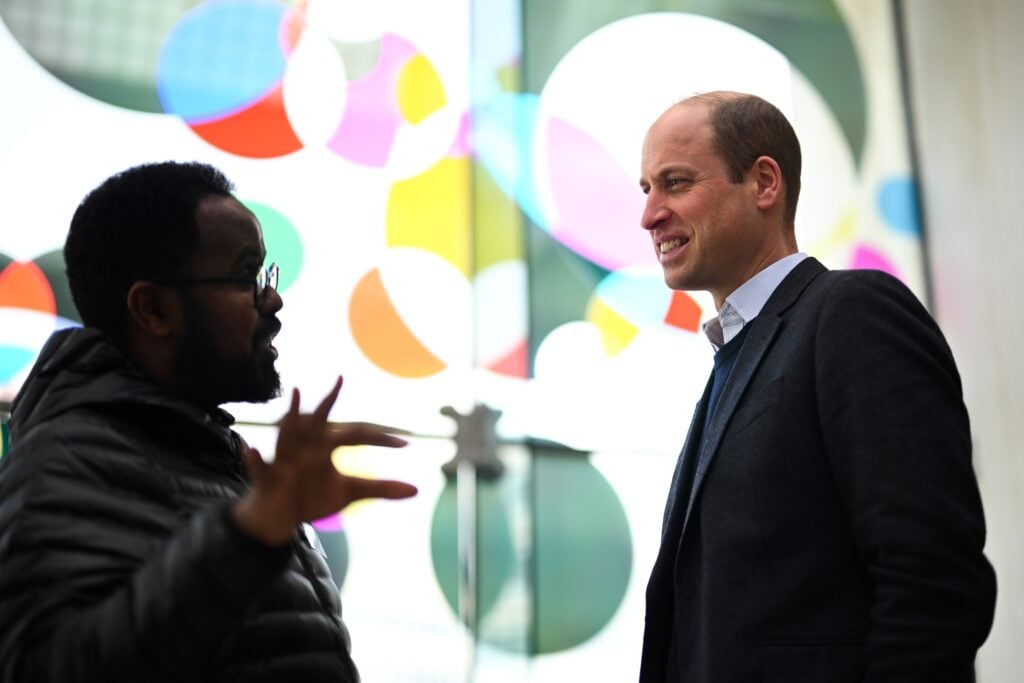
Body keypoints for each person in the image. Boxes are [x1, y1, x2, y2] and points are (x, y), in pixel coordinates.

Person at [0, 161, 417, 682]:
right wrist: (249, 536)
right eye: (247, 275)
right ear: (152, 310)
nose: (273, 298)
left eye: (266, 273)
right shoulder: (65, 463)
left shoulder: (207, 459)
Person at [636, 92, 996, 682]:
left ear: (764, 183)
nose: (650, 215)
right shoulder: (731, 360)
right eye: (645, 189)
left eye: (674, 183)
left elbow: (930, 574)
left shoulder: (851, 314)